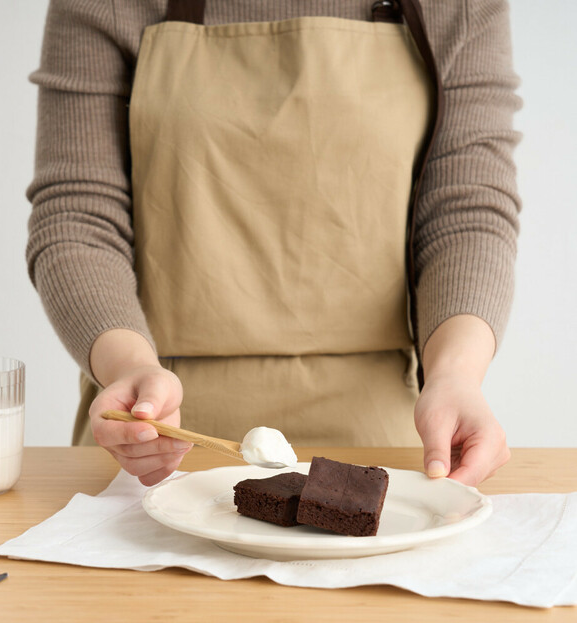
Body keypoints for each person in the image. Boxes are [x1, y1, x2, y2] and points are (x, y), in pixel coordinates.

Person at [26, 0, 521, 487]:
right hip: (157, 438)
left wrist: (456, 374)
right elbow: (79, 213)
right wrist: (129, 368)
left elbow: (465, 212)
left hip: (384, 442)